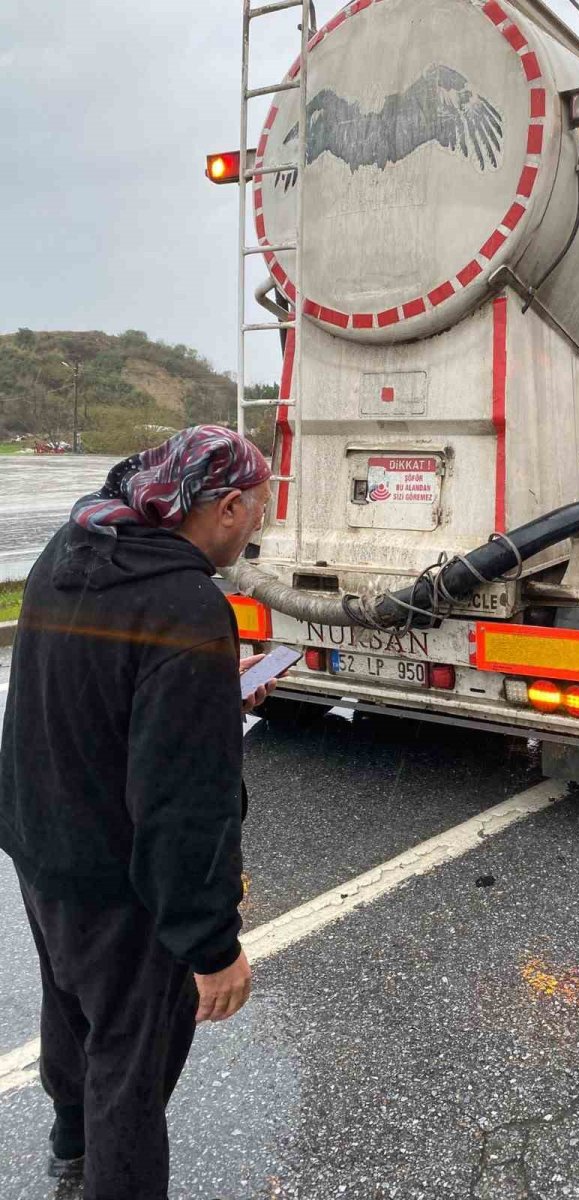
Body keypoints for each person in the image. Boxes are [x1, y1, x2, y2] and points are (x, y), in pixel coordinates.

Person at [0, 425, 277, 1199]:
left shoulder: (75, 546)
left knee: (71, 1008)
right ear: (226, 508)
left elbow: (93, 685)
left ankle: (71, 1145)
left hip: (40, 841)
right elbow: (185, 802)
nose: (259, 525)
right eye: (259, 508)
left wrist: (211, 689)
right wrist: (211, 945)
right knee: (132, 1063)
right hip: (118, 879)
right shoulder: (185, 605)